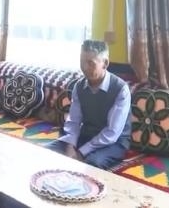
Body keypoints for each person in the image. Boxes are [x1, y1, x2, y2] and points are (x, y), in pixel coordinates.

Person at [46, 40, 131, 170]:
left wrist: (81, 152)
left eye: (91, 63)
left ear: (105, 63)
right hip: (86, 136)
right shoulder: (79, 86)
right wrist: (70, 146)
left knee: (91, 164)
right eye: (82, 62)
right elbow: (74, 122)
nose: (85, 68)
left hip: (113, 143)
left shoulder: (120, 89)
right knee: (47, 152)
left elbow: (112, 133)